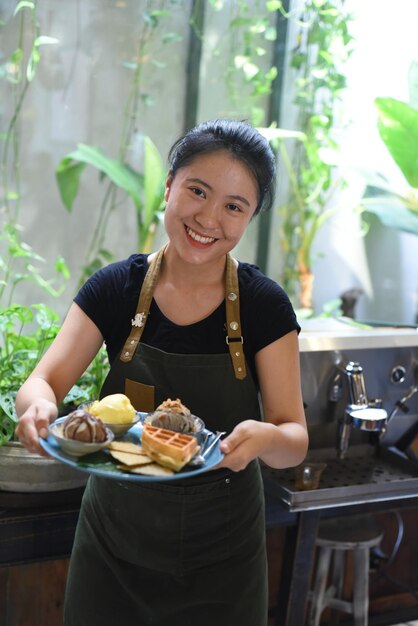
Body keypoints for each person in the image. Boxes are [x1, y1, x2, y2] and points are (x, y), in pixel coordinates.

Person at [15, 118, 308, 626]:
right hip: (114, 549)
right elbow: (43, 383)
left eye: (234, 207)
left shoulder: (265, 307)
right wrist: (37, 407)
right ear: (170, 185)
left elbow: (293, 436)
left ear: (249, 218)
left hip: (224, 558)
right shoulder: (115, 289)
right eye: (198, 190)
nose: (209, 218)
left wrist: (263, 439)